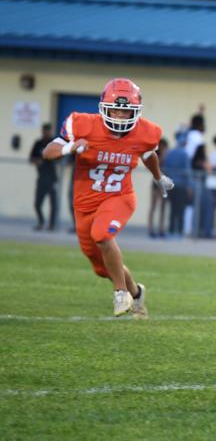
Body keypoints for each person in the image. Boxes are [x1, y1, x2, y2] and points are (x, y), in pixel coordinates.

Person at [42, 78, 174, 318]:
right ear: (104, 108)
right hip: (84, 203)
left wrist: (158, 176)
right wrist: (69, 149)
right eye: (116, 109)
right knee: (102, 268)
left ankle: (120, 291)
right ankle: (136, 293)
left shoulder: (146, 132)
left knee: (102, 234)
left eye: (126, 111)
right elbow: (47, 152)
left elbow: (148, 154)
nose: (121, 116)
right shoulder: (82, 124)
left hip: (119, 197)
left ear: (136, 111)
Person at [30, 122, 59, 231]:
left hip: (52, 178)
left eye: (48, 131)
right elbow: (31, 158)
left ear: (51, 131)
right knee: (37, 203)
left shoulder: (55, 142)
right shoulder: (38, 143)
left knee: (53, 203)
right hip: (41, 177)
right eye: (44, 131)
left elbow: (62, 157)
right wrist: (37, 161)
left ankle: (52, 225)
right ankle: (41, 222)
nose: (46, 133)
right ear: (42, 131)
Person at [164, 132, 191, 237]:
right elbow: (187, 172)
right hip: (181, 185)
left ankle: (170, 231)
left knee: (172, 209)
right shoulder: (184, 154)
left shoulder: (170, 152)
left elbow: (166, 169)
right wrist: (189, 187)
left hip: (171, 185)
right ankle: (179, 232)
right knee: (180, 210)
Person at [147, 138, 169, 238]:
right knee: (153, 206)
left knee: (163, 207)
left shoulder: (167, 155)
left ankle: (161, 228)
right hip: (156, 183)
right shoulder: (156, 155)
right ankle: (150, 228)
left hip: (163, 182)